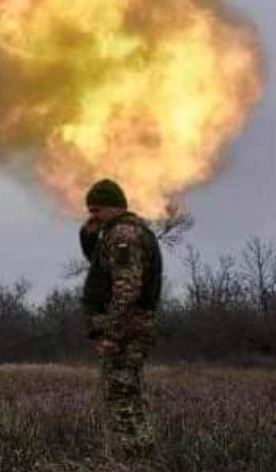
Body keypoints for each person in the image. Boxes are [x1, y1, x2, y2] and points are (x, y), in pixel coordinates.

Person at [79, 178, 163, 458]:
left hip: (127, 331)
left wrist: (112, 336)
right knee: (128, 395)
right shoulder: (123, 232)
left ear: (114, 207)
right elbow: (103, 270)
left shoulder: (123, 235)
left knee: (120, 395)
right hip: (131, 328)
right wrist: (89, 237)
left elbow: (125, 291)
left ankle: (135, 459)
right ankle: (143, 455)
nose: (92, 217)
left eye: (96, 211)